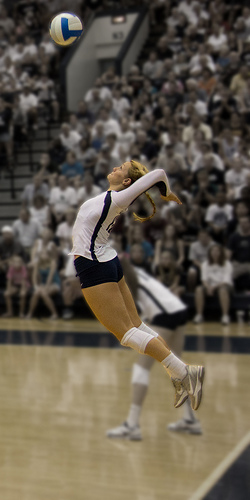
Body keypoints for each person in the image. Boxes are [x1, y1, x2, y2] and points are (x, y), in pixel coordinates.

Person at [69, 160, 205, 412]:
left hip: (94, 264)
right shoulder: (111, 197)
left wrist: (165, 193)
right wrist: (164, 192)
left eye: (121, 168)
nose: (116, 167)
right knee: (137, 326)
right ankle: (177, 375)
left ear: (127, 182)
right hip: (106, 259)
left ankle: (185, 372)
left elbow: (159, 173)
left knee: (127, 335)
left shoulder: (118, 199)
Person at [106, 246, 202, 440]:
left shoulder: (123, 279)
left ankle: (132, 425)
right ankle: (190, 419)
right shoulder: (134, 272)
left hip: (166, 315)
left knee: (141, 370)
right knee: (175, 366)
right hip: (178, 310)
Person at [194, 244, 233, 325]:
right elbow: (204, 279)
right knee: (198, 289)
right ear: (210, 253)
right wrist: (208, 287)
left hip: (224, 285)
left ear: (221, 253)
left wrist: (213, 288)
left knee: (223, 290)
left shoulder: (227, 264)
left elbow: (226, 280)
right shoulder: (205, 264)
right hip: (209, 285)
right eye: (213, 251)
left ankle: (225, 316)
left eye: (217, 251)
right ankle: (199, 315)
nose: (215, 253)